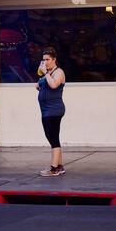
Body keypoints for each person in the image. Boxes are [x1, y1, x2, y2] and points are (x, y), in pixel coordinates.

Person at [36, 47, 66, 177]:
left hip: (54, 109)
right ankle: (59, 166)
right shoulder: (46, 73)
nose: (45, 62)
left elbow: (54, 85)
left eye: (47, 59)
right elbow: (38, 86)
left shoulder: (58, 72)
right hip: (45, 109)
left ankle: (54, 168)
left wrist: (46, 74)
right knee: (52, 137)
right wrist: (42, 77)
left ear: (54, 59)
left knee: (53, 138)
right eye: (43, 60)